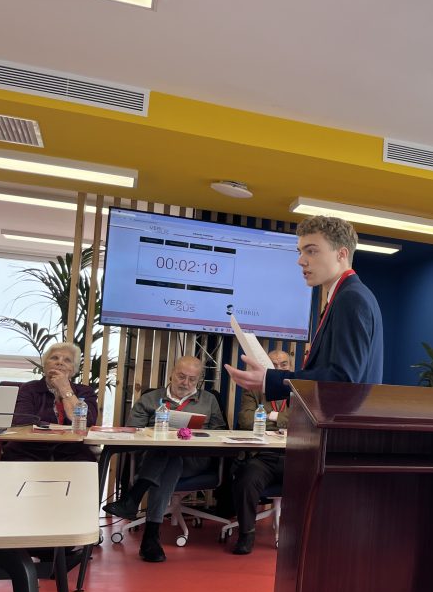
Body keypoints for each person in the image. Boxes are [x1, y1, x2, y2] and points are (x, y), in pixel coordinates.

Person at [225, 215, 383, 398]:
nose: (300, 260)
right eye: (300, 252)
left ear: (341, 254)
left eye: (311, 251)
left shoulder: (351, 298)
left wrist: (271, 380)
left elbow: (343, 380)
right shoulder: (348, 295)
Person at [103, 356, 226, 563]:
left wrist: (196, 436)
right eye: (181, 376)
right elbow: (132, 431)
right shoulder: (151, 398)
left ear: (199, 380)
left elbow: (220, 432)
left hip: (194, 460)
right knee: (169, 456)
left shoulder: (209, 400)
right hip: (156, 458)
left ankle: (134, 498)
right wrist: (156, 433)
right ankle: (150, 538)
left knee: (169, 454)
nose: (185, 383)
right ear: (171, 373)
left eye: (192, 379)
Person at [230, 349, 292, 555]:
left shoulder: (301, 391)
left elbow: (303, 421)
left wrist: (270, 415)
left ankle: (303, 535)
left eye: (284, 365)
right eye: (273, 365)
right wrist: (285, 419)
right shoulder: (254, 390)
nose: (279, 369)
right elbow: (246, 420)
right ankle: (246, 533)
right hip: (263, 456)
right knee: (246, 480)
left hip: (295, 456)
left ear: (291, 368)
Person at [1, 341, 98, 462]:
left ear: (73, 370)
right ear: (45, 365)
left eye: (67, 360)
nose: (60, 362)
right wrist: (62, 429)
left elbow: (88, 422)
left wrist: (65, 389)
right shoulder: (29, 389)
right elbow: (22, 421)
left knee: (84, 464)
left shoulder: (85, 391)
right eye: (54, 358)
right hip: (29, 450)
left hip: (72, 452)